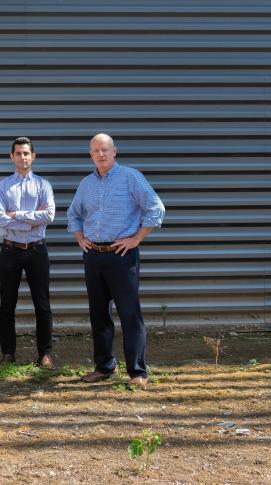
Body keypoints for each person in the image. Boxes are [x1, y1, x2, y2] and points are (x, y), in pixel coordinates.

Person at [67, 133, 165, 390]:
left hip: (121, 256)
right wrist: (80, 239)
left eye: (105, 150)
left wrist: (136, 239)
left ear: (114, 151)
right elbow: (73, 214)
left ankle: (137, 371)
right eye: (96, 150)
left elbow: (156, 208)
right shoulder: (86, 184)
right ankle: (104, 366)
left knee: (129, 313)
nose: (101, 154)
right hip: (93, 256)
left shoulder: (131, 177)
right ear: (91, 154)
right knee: (98, 314)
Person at [0, 137, 55, 366]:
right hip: (10, 251)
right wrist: (31, 219)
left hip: (37, 251)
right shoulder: (2, 186)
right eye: (18, 153)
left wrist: (15, 215)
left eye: (26, 153)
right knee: (7, 304)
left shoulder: (43, 186)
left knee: (43, 304)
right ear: (12, 157)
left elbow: (49, 215)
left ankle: (45, 353)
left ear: (33, 156)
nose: (23, 157)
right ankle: (8, 353)